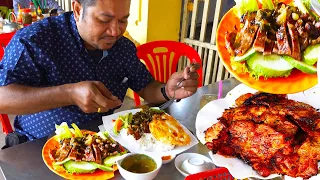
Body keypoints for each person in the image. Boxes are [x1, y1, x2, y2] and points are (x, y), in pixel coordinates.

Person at [0, 0, 200, 144]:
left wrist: (168, 90)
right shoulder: (35, 40)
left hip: (105, 142)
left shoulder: (123, 48)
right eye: (105, 20)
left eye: (123, 21)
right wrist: (68, 94)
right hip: (38, 146)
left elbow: (146, 87)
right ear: (78, 10)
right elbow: (3, 98)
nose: (115, 31)